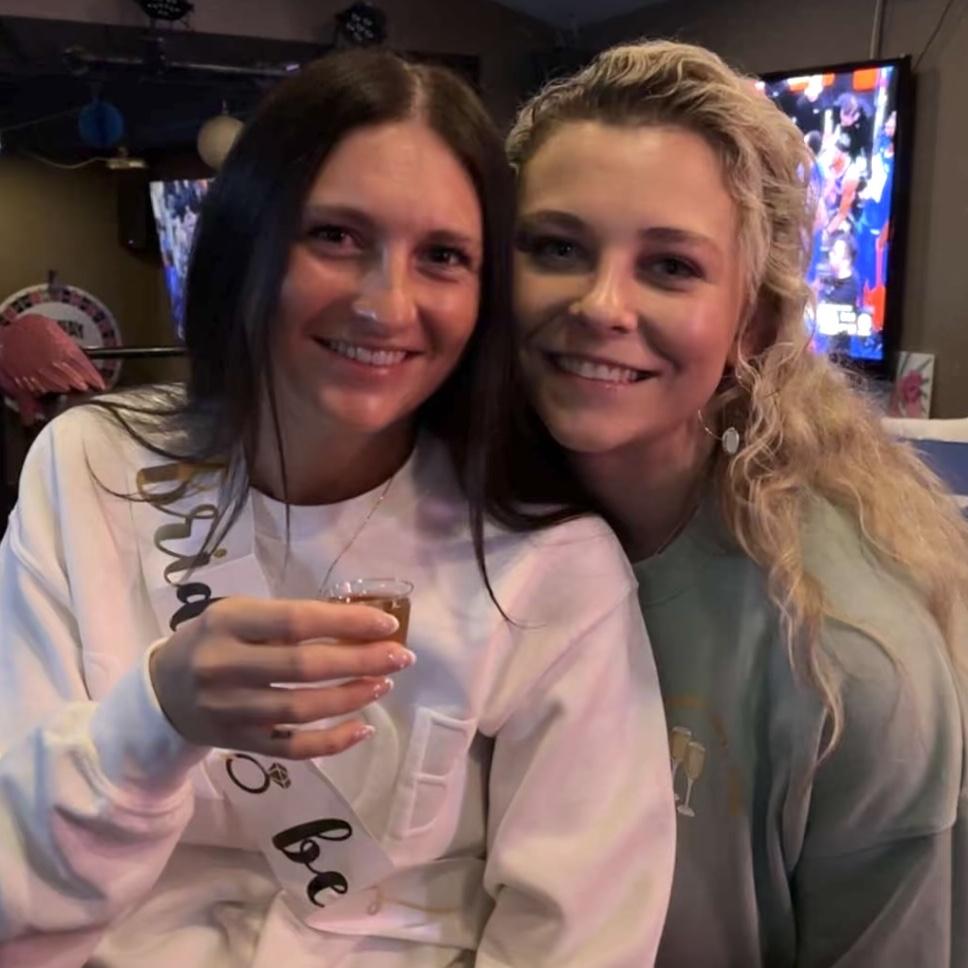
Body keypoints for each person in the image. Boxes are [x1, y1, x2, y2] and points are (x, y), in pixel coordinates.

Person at [0, 50, 675, 967]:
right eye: (336, 236)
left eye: (443, 256)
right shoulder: (92, 469)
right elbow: (17, 894)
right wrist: (155, 720)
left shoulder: (549, 562)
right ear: (250, 237)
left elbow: (582, 933)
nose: (385, 305)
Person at [507, 39, 967, 968]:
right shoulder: (445, 526)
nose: (600, 305)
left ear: (749, 322)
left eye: (670, 266)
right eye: (558, 247)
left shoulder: (848, 662)